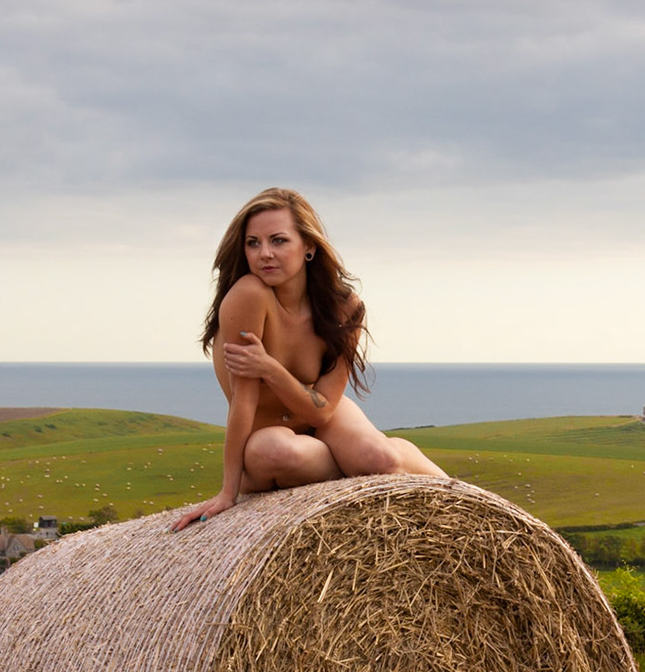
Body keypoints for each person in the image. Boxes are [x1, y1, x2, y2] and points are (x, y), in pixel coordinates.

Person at [170, 188, 446, 531]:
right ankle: (356, 468)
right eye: (253, 243)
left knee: (381, 460)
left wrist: (269, 367)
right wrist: (229, 492)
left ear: (309, 247)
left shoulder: (344, 308)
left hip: (320, 416)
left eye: (279, 241)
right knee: (277, 452)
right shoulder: (248, 297)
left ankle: (462, 497)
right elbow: (244, 399)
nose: (264, 254)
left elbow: (322, 409)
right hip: (266, 435)